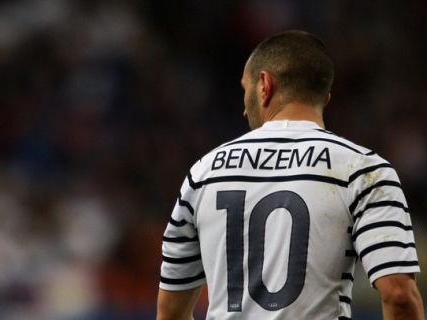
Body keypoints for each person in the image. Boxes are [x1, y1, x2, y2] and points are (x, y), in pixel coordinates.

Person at [156, 30, 424, 319]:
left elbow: (170, 312)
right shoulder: (363, 171)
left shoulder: (204, 173)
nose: (244, 110)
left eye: (244, 89)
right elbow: (399, 295)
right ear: (325, 97)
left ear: (264, 85)